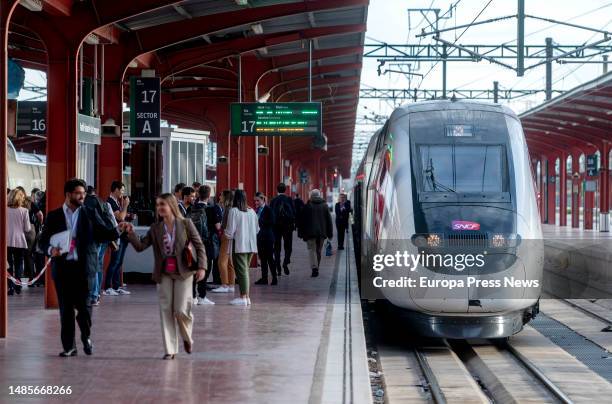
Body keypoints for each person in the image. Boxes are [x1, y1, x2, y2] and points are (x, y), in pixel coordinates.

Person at [39, 178, 122, 357]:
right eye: (78, 193)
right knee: (65, 310)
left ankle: (86, 336)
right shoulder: (54, 216)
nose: (82, 197)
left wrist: (118, 230)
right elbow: (41, 242)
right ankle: (69, 346)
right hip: (62, 269)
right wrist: (49, 249)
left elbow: (102, 234)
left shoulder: (90, 213)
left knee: (84, 309)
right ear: (68, 194)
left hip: (85, 268)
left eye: (83, 194)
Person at [126, 193, 206, 359]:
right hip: (164, 273)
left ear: (171, 206)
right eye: (158, 205)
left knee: (181, 310)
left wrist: (202, 267)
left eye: (163, 204)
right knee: (166, 310)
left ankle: (187, 337)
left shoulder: (185, 224)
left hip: (184, 272)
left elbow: (199, 246)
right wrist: (131, 233)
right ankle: (170, 350)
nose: (160, 208)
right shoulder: (155, 228)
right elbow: (141, 246)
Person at [224, 190, 258, 306]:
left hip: (239, 245)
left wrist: (225, 233)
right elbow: (257, 229)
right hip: (251, 245)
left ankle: (243, 297)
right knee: (245, 271)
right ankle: (246, 297)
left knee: (241, 271)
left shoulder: (234, 211)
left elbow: (229, 232)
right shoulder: (252, 211)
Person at [191, 185, 221, 305]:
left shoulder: (192, 208)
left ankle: (192, 296)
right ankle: (202, 296)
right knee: (204, 268)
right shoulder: (212, 209)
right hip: (207, 243)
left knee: (193, 268)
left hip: (193, 243)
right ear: (209, 196)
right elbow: (218, 227)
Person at [103, 181, 131, 296]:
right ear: (115, 190)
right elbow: (120, 216)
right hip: (116, 236)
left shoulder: (116, 202)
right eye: (122, 190)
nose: (123, 193)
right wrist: (125, 206)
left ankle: (117, 285)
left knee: (119, 262)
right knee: (114, 261)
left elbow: (122, 217)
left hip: (122, 235)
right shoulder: (110, 202)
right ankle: (108, 286)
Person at [298, 189, 333, 278]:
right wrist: (330, 234)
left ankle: (314, 268)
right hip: (322, 233)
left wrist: (301, 233)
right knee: (318, 251)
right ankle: (317, 267)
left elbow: (302, 221)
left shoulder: (308, 206)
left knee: (312, 250)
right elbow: (329, 221)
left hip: (310, 233)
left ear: (311, 196)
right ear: (319, 195)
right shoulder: (325, 206)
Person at [7, 188, 32, 295]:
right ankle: (18, 285)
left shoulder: (4, 209)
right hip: (20, 241)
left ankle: (10, 287)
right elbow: (27, 229)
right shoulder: (24, 211)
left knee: (8, 264)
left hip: (6, 240)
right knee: (19, 263)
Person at [211, 190, 235, 294]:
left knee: (221, 261)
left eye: (221, 195)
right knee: (230, 262)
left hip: (226, 236)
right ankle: (231, 284)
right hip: (232, 237)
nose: (219, 197)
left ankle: (224, 284)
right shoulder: (232, 208)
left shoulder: (227, 209)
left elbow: (224, 225)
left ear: (226, 198)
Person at [269, 183, 295, 276]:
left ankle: (278, 267)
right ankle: (285, 262)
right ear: (285, 190)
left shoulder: (273, 200)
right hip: (287, 226)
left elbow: (270, 213)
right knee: (288, 246)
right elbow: (294, 212)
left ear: (277, 190)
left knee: (277, 247)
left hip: (276, 227)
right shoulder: (289, 199)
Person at [254, 193, 276, 285]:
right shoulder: (257, 210)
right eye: (255, 200)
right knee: (262, 258)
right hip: (260, 237)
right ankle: (264, 278)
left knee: (270, 258)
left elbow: (272, 222)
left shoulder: (268, 210)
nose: (256, 202)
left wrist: (260, 220)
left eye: (258, 200)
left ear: (263, 200)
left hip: (267, 237)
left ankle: (274, 278)